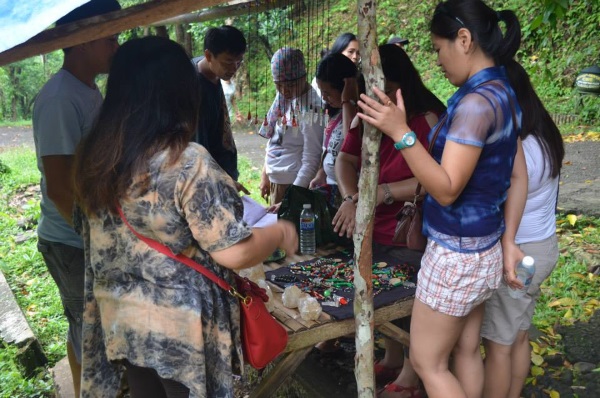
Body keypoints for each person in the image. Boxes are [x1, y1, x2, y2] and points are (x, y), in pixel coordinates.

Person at [72, 36, 298, 398]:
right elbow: (234, 252)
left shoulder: (95, 157)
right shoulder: (186, 160)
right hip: (180, 332)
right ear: (178, 92)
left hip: (121, 319)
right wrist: (280, 233)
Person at [355, 1, 526, 397]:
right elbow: (518, 174)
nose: (437, 59)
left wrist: (402, 133)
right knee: (466, 351)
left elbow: (447, 188)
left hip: (456, 257)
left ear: (463, 39)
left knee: (428, 362)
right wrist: (509, 240)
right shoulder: (502, 90)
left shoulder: (474, 106)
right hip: (485, 250)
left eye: (437, 47)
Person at [334, 44, 446, 397]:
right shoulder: (368, 114)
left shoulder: (425, 118)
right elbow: (345, 160)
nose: (372, 95)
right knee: (383, 296)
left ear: (397, 85)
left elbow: (434, 179)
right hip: (374, 227)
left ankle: (411, 377)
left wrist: (380, 192)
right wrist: (353, 198)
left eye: (377, 87)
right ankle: (393, 355)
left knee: (411, 301)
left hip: (409, 230)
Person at [31, 1, 121, 396]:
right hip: (70, 240)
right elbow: (60, 186)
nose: (116, 45)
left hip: (87, 232)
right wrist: (94, 237)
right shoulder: (58, 99)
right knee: (86, 328)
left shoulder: (87, 91)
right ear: (83, 38)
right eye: (111, 36)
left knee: (94, 323)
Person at [480, 59, 565, 398]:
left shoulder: (520, 150)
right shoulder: (544, 137)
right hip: (542, 248)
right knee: (517, 334)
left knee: (498, 343)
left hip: (520, 254)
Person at [259, 47, 323, 212]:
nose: (284, 90)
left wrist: (292, 197)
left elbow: (312, 160)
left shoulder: (310, 108)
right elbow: (275, 138)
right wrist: (265, 173)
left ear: (303, 77)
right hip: (277, 180)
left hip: (293, 183)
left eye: (290, 85)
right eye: (278, 85)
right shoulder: (283, 98)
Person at [192, 25, 246, 185]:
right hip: (208, 179)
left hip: (224, 170)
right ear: (208, 55)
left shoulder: (213, 72)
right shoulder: (195, 88)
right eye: (228, 62)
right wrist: (223, 180)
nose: (234, 69)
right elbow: (198, 148)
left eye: (239, 62)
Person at [308, 53, 358, 207]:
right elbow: (330, 149)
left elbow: (351, 139)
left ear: (343, 87)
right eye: (321, 91)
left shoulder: (356, 112)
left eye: (328, 93)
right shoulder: (336, 113)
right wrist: (322, 173)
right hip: (330, 187)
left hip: (348, 195)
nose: (323, 98)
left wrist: (347, 100)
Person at [311, 33, 360, 98]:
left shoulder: (359, 78)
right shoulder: (322, 79)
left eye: (358, 53)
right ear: (339, 51)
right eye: (350, 52)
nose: (355, 57)